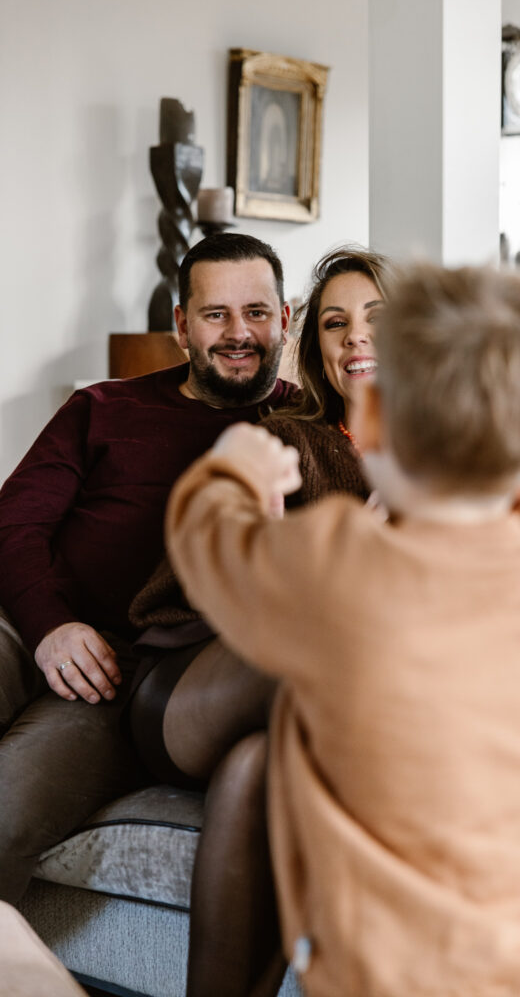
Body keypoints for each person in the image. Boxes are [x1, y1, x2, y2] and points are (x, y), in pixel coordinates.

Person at [166, 263, 520, 997]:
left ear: (367, 421)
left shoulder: (347, 564)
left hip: (393, 969)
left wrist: (230, 476)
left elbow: (210, 547)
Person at [126, 245, 393, 997]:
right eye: (335, 324)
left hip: (291, 722)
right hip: (190, 686)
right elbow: (200, 564)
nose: (354, 339)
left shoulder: (453, 468)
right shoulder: (288, 440)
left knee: (256, 773)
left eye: (376, 319)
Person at [0, 231, 296, 907]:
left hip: (129, 680)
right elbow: (13, 523)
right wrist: (50, 626)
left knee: (6, 807)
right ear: (181, 327)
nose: (237, 332)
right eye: (214, 314)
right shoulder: (102, 407)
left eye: (255, 311)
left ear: (285, 318)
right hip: (27, 626)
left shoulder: (300, 432)